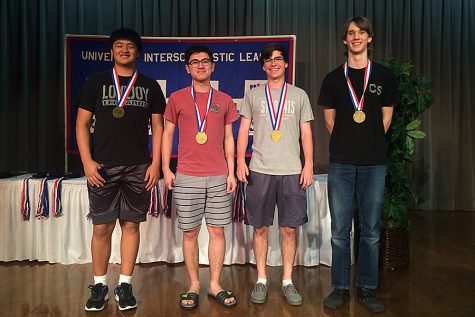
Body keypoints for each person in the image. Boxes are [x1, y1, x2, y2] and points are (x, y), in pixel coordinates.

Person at [75, 28, 166, 311]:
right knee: (102, 226)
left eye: (130, 46)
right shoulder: (96, 82)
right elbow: (80, 125)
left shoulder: (150, 86)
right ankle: (100, 284)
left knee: (131, 225)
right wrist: (87, 162)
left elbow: (159, 128)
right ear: (111, 51)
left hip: (138, 166)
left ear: (137, 52)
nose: (124, 50)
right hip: (102, 166)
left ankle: (124, 284)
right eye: (118, 45)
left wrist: (156, 164)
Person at [318, 16, 397, 313]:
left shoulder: (385, 77)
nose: (356, 37)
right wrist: (349, 142)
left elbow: (386, 119)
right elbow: (329, 121)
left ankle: (365, 286)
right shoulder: (333, 79)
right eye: (351, 33)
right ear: (344, 40)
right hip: (341, 163)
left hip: (374, 163)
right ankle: (339, 288)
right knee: (339, 230)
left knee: (371, 229)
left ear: (369, 38)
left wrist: (367, 142)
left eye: (361, 32)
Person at [236, 43, 314, 306]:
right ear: (263, 66)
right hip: (260, 169)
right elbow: (242, 129)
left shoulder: (299, 95)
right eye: (268, 60)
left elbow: (306, 133)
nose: (273, 63)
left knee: (289, 229)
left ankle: (287, 281)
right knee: (260, 228)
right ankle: (261, 279)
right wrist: (239, 160)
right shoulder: (253, 95)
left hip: (292, 170)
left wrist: (309, 164)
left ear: (286, 64)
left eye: (278, 59)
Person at [162, 45, 239, 310]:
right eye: (194, 62)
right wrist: (166, 169)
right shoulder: (176, 98)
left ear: (213, 66)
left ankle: (215, 284)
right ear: (187, 68)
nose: (200, 65)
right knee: (190, 232)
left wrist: (231, 171)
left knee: (217, 231)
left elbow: (229, 138)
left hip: (219, 176)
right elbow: (167, 134)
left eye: (205, 61)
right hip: (186, 176)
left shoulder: (225, 100)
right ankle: (194, 284)